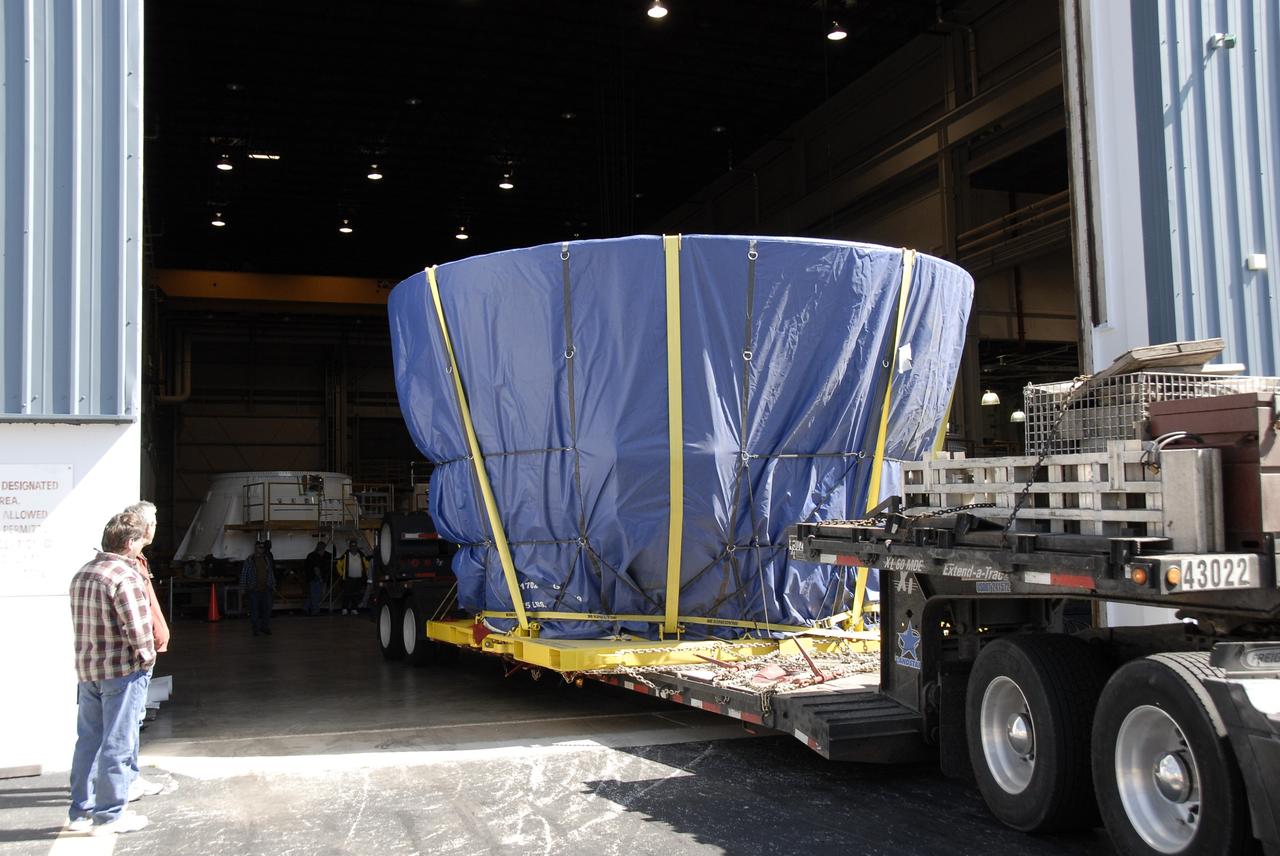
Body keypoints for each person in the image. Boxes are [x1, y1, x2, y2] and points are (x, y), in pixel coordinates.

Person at [67, 512, 155, 836]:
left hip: (88, 671)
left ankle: (81, 811)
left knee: (88, 741)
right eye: (140, 540)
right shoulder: (124, 577)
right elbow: (138, 629)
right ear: (130, 543)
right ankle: (109, 816)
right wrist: (146, 660)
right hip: (120, 671)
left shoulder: (83, 573)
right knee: (118, 743)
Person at [122, 501, 167, 802]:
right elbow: (133, 615)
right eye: (153, 522)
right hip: (132, 661)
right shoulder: (127, 566)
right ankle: (123, 785)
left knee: (128, 722)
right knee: (127, 723)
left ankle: (125, 779)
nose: (155, 526)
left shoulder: (138, 561)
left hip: (138, 655)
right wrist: (145, 652)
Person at [239, 541, 276, 635]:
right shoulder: (249, 560)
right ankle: (255, 628)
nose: (262, 549)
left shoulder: (266, 559)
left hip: (266, 588)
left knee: (267, 609)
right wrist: (243, 587)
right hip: (254, 589)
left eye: (262, 547)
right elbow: (244, 574)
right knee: (254, 610)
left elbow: (270, 572)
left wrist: (273, 584)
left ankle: (264, 627)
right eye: (260, 547)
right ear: (255, 548)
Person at [335, 538, 369, 615]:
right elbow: (338, 565)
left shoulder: (361, 555)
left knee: (356, 594)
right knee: (347, 594)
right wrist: (341, 574)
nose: (353, 547)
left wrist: (366, 573)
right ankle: (344, 608)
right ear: (349, 547)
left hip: (358, 579)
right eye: (352, 546)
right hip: (348, 579)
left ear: (357, 546)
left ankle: (354, 608)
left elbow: (367, 564)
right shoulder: (345, 555)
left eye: (355, 546)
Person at [302, 540, 329, 616]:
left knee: (311, 594)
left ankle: (305, 607)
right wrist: (320, 578)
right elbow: (316, 569)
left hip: (309, 577)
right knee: (316, 595)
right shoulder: (317, 557)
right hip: (315, 578)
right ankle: (315, 610)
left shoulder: (310, 555)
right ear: (322, 549)